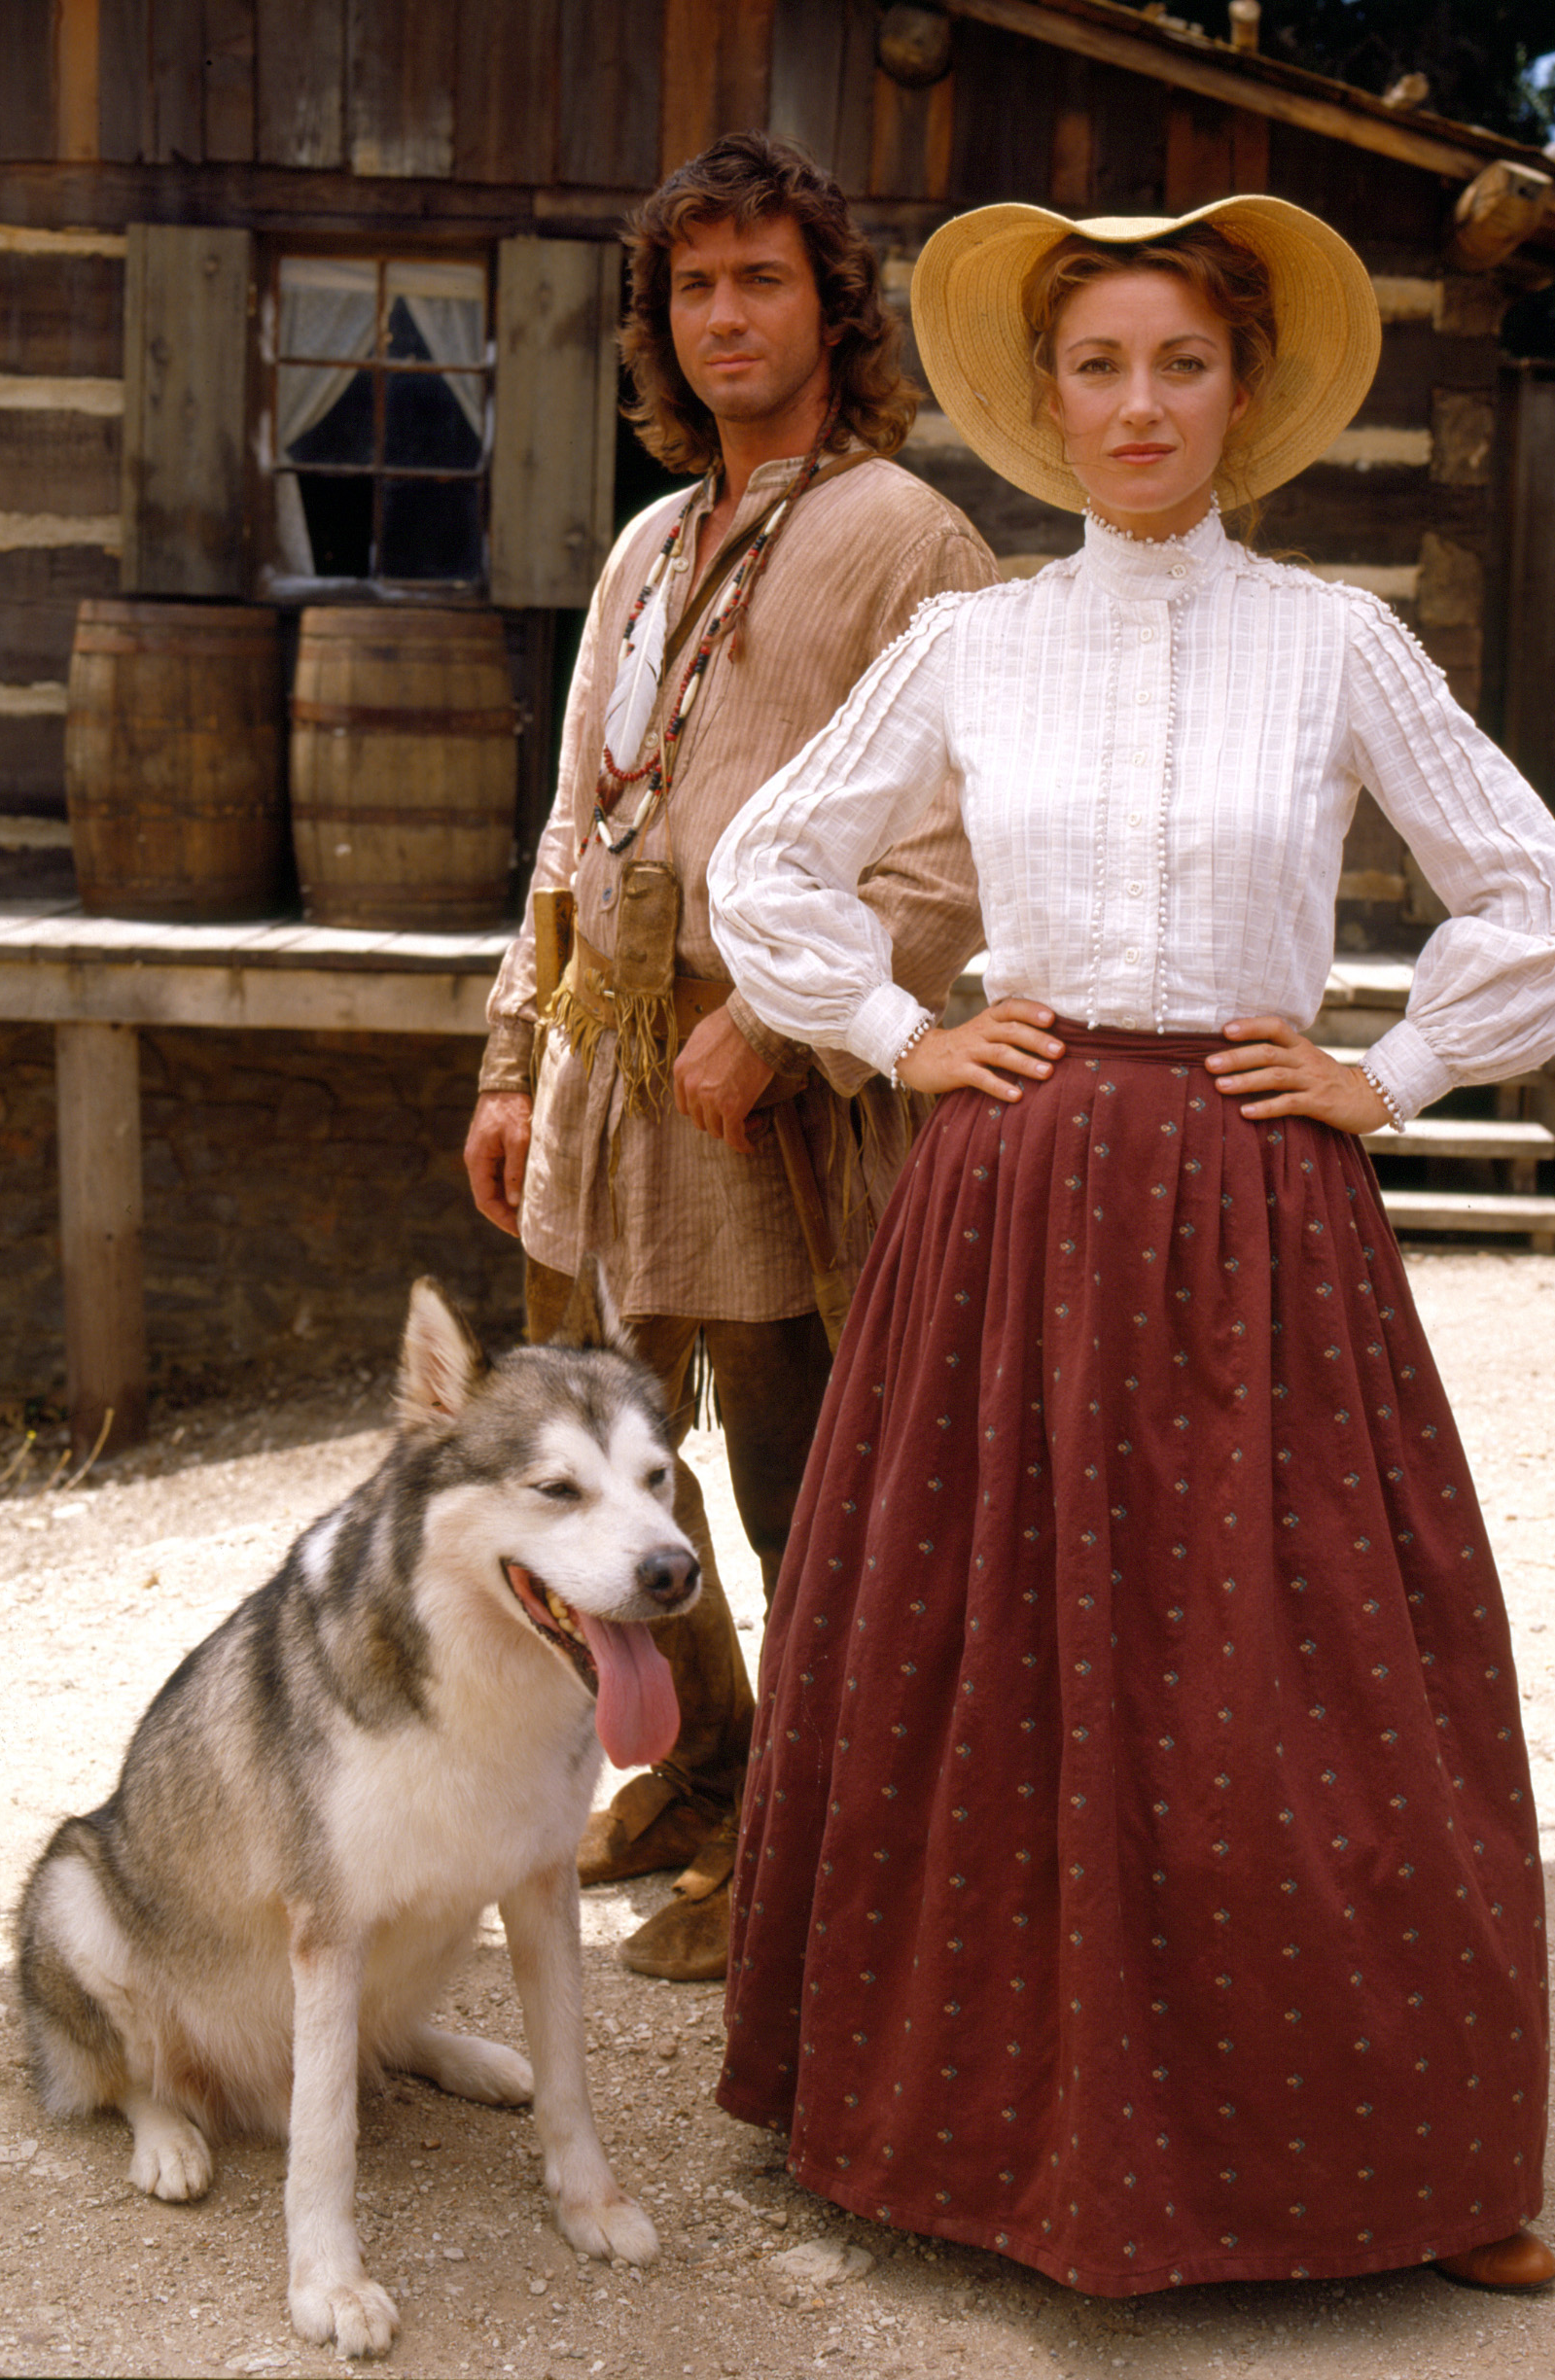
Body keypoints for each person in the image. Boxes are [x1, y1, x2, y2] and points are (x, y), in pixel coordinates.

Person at [706, 195, 1555, 2295]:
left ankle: (1407, 2164)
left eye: (1178, 366)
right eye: (1098, 367)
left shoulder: (1336, 642)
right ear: (1046, 399)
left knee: (1303, 1663)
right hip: (1013, 1184)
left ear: (1242, 393)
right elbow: (778, 861)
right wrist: (897, 1032)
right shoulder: (975, 641)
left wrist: (1388, 1074)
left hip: (1254, 1192)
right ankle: (949, 2130)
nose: (1137, 405)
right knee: (984, 1640)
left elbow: (1528, 894)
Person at [465, 133, 995, 1983]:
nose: (724, 318)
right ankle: (704, 1768)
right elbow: (570, 826)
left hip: (761, 1112)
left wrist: (777, 1026)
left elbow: (947, 850)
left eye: (762, 280)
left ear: (832, 310)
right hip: (603, 1097)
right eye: (694, 287)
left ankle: (811, 1850)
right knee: (608, 1469)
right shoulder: (644, 540)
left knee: (797, 1490)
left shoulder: (907, 539)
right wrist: (508, 1063)